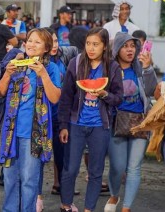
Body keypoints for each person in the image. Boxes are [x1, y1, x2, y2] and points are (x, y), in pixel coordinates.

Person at [58, 27, 124, 212]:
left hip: (100, 126)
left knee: (95, 172)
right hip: (75, 124)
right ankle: (66, 204)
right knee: (70, 169)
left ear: (104, 46)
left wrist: (104, 94)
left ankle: (89, 208)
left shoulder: (112, 67)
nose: (91, 48)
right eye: (88, 44)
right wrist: (63, 125)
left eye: (96, 44)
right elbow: (66, 98)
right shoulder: (75, 63)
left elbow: (119, 98)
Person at [0, 28, 61, 212]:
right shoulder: (16, 63)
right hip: (11, 131)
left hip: (34, 133)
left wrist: (43, 74)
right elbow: (0, 92)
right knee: (9, 178)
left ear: (47, 48)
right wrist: (8, 74)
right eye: (30, 40)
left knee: (29, 180)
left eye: (37, 42)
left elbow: (55, 97)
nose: (31, 44)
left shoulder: (51, 68)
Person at [104, 33, 157, 212]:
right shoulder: (109, 69)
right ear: (117, 49)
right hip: (116, 122)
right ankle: (114, 194)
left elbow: (151, 91)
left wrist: (148, 68)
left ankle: (126, 208)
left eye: (132, 46)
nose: (129, 50)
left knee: (134, 167)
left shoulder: (140, 68)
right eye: (125, 46)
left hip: (140, 123)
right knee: (118, 167)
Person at [35, 27, 79, 212]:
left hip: (60, 117)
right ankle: (37, 197)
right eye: (50, 41)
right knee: (38, 160)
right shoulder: (36, 62)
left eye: (55, 40)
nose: (54, 45)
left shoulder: (65, 58)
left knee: (62, 160)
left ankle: (65, 199)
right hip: (41, 118)